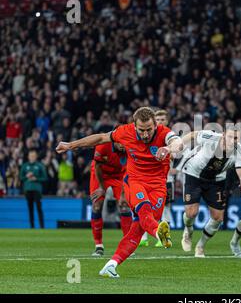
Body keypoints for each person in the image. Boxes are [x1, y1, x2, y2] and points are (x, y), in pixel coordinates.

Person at [56, 107, 183, 278]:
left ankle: (111, 265)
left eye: (149, 130)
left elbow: (178, 142)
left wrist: (168, 149)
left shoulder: (164, 132)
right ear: (134, 126)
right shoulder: (125, 132)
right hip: (135, 181)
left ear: (155, 125)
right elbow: (101, 138)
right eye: (141, 130)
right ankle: (158, 233)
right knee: (144, 210)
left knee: (137, 231)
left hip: (158, 187)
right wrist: (71, 145)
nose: (145, 135)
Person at [179, 128, 241, 258]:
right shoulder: (210, 137)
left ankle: (200, 246)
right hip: (193, 174)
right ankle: (188, 231)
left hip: (216, 181)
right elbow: (194, 134)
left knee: (218, 218)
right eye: (230, 137)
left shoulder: (239, 151)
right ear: (223, 135)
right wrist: (179, 143)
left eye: (236, 138)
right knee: (191, 213)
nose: (232, 140)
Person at [139, 109, 178, 247]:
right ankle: (143, 237)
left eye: (163, 119)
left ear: (167, 121)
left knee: (165, 207)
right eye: (158, 119)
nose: (160, 121)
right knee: (145, 207)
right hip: (148, 179)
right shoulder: (147, 136)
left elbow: (178, 156)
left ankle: (164, 236)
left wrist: (170, 154)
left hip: (167, 180)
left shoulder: (169, 137)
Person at [89, 141, 131, 257]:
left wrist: (123, 194)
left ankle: (128, 245)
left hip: (119, 175)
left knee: (124, 205)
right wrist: (102, 188)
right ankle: (98, 246)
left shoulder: (130, 147)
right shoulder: (103, 145)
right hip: (100, 174)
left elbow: (128, 172)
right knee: (97, 205)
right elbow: (97, 166)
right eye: (121, 143)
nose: (123, 145)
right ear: (115, 140)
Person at [19, 150, 48, 228]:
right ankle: (32, 227)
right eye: (31, 156)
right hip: (28, 189)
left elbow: (45, 178)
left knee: (39, 208)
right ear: (28, 157)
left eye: (33, 156)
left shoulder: (39, 165)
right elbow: (21, 177)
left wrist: (36, 179)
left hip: (37, 189)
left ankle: (42, 227)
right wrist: (26, 176)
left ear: (36, 157)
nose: (32, 157)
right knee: (30, 209)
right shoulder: (25, 166)